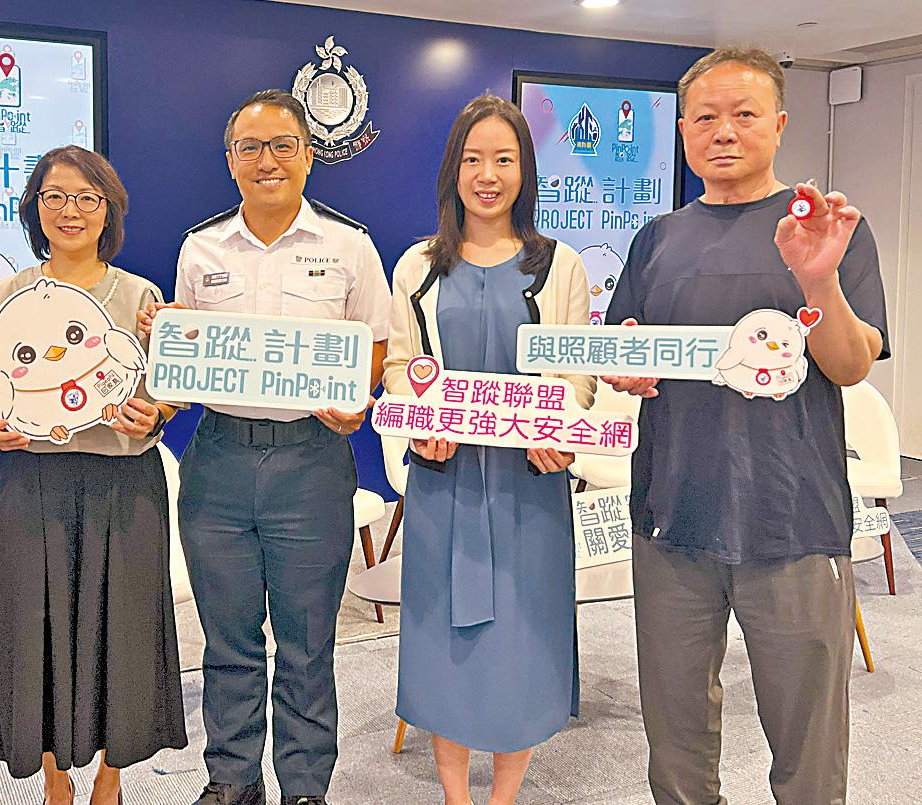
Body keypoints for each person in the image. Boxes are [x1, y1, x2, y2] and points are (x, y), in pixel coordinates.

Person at [603, 48, 890, 804]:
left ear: (780, 124)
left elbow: (851, 365)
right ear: (683, 131)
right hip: (672, 515)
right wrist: (625, 366)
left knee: (807, 742)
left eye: (744, 114)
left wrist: (818, 279)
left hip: (794, 518)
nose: (723, 131)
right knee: (675, 736)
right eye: (705, 117)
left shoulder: (827, 229)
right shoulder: (656, 239)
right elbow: (624, 348)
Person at [139, 89, 391, 805]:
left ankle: (305, 786)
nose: (266, 160)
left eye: (282, 145)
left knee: (308, 642)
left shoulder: (349, 246)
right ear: (230, 160)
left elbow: (374, 347)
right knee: (228, 639)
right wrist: (169, 346)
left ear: (309, 156)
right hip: (219, 458)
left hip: (312, 460)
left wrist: (355, 401)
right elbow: (187, 358)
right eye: (249, 147)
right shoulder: (201, 247)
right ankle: (233, 778)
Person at [382, 94, 594, 805]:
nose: (488, 175)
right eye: (473, 159)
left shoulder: (559, 265)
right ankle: (456, 796)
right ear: (453, 170)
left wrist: (561, 430)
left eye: (504, 159)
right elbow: (400, 366)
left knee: (521, 648)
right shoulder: (417, 265)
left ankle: (503, 797)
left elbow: (577, 372)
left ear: (524, 171)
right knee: (445, 647)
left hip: (527, 488)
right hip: (444, 485)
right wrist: (420, 420)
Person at [0, 146, 188, 804]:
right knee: (30, 628)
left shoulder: (141, 296)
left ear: (108, 210)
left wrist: (155, 415)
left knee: (122, 631)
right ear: (35, 207)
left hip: (123, 485)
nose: (71, 210)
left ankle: (111, 779)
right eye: (55, 196)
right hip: (29, 483)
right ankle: (54, 778)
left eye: (87, 198)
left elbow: (167, 395)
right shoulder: (3, 295)